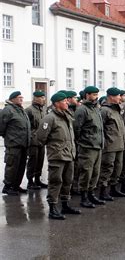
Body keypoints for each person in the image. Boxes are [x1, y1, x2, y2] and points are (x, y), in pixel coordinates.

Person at [36, 91, 81, 220]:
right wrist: (54, 148)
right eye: (64, 101)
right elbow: (40, 137)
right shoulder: (49, 118)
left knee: (68, 181)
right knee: (56, 181)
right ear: (56, 103)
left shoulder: (67, 115)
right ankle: (53, 208)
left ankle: (65, 204)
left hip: (69, 154)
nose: (67, 102)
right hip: (57, 156)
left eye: (67, 100)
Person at [74, 86, 105, 208]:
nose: (95, 97)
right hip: (87, 146)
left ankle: (91, 193)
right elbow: (77, 128)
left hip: (97, 145)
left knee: (95, 173)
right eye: (93, 95)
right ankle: (84, 197)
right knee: (86, 172)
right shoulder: (82, 110)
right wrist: (83, 142)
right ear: (87, 95)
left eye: (97, 94)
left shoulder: (96, 108)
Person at [98, 87, 125, 201]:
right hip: (110, 145)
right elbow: (101, 129)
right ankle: (103, 191)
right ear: (111, 97)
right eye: (118, 96)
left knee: (118, 168)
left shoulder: (117, 109)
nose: (120, 97)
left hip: (119, 144)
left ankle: (113, 188)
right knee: (107, 168)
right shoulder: (104, 110)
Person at [0, 91, 31, 195]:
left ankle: (16, 186)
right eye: (19, 97)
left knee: (21, 166)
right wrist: (9, 137)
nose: (21, 99)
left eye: (22, 97)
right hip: (13, 144)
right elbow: (1, 127)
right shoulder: (8, 110)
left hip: (23, 144)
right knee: (12, 166)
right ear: (12, 99)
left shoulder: (21, 110)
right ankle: (7, 187)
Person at [25, 90, 47, 190]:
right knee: (33, 161)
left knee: (40, 161)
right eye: (42, 97)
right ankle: (30, 181)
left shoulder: (43, 109)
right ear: (35, 98)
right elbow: (26, 126)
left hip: (41, 140)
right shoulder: (29, 110)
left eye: (44, 97)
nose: (44, 99)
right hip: (33, 140)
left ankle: (38, 180)